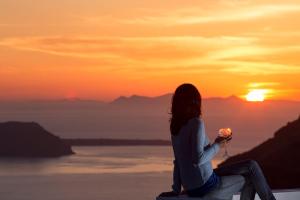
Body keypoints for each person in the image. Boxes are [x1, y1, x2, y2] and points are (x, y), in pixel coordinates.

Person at [159, 83, 276, 200]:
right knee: (251, 173)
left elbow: (178, 162)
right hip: (207, 186)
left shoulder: (175, 127)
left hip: (192, 188)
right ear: (195, 102)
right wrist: (218, 144)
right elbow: (198, 159)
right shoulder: (196, 123)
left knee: (250, 165)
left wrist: (176, 190)